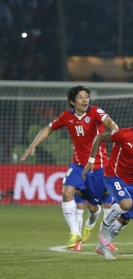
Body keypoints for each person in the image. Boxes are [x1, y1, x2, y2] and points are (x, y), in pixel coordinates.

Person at [21, 85, 118, 250]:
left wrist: (115, 133)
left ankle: (90, 224)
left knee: (95, 207)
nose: (85, 99)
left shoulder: (95, 112)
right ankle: (74, 234)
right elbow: (48, 129)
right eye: (80, 97)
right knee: (67, 192)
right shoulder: (67, 116)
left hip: (99, 166)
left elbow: (110, 124)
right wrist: (33, 145)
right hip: (78, 165)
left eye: (86, 96)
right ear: (73, 101)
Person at [83, 109, 133, 259]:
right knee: (126, 204)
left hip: (131, 181)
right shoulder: (123, 134)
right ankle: (105, 226)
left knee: (125, 219)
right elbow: (100, 137)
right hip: (113, 176)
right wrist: (91, 160)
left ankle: (103, 245)